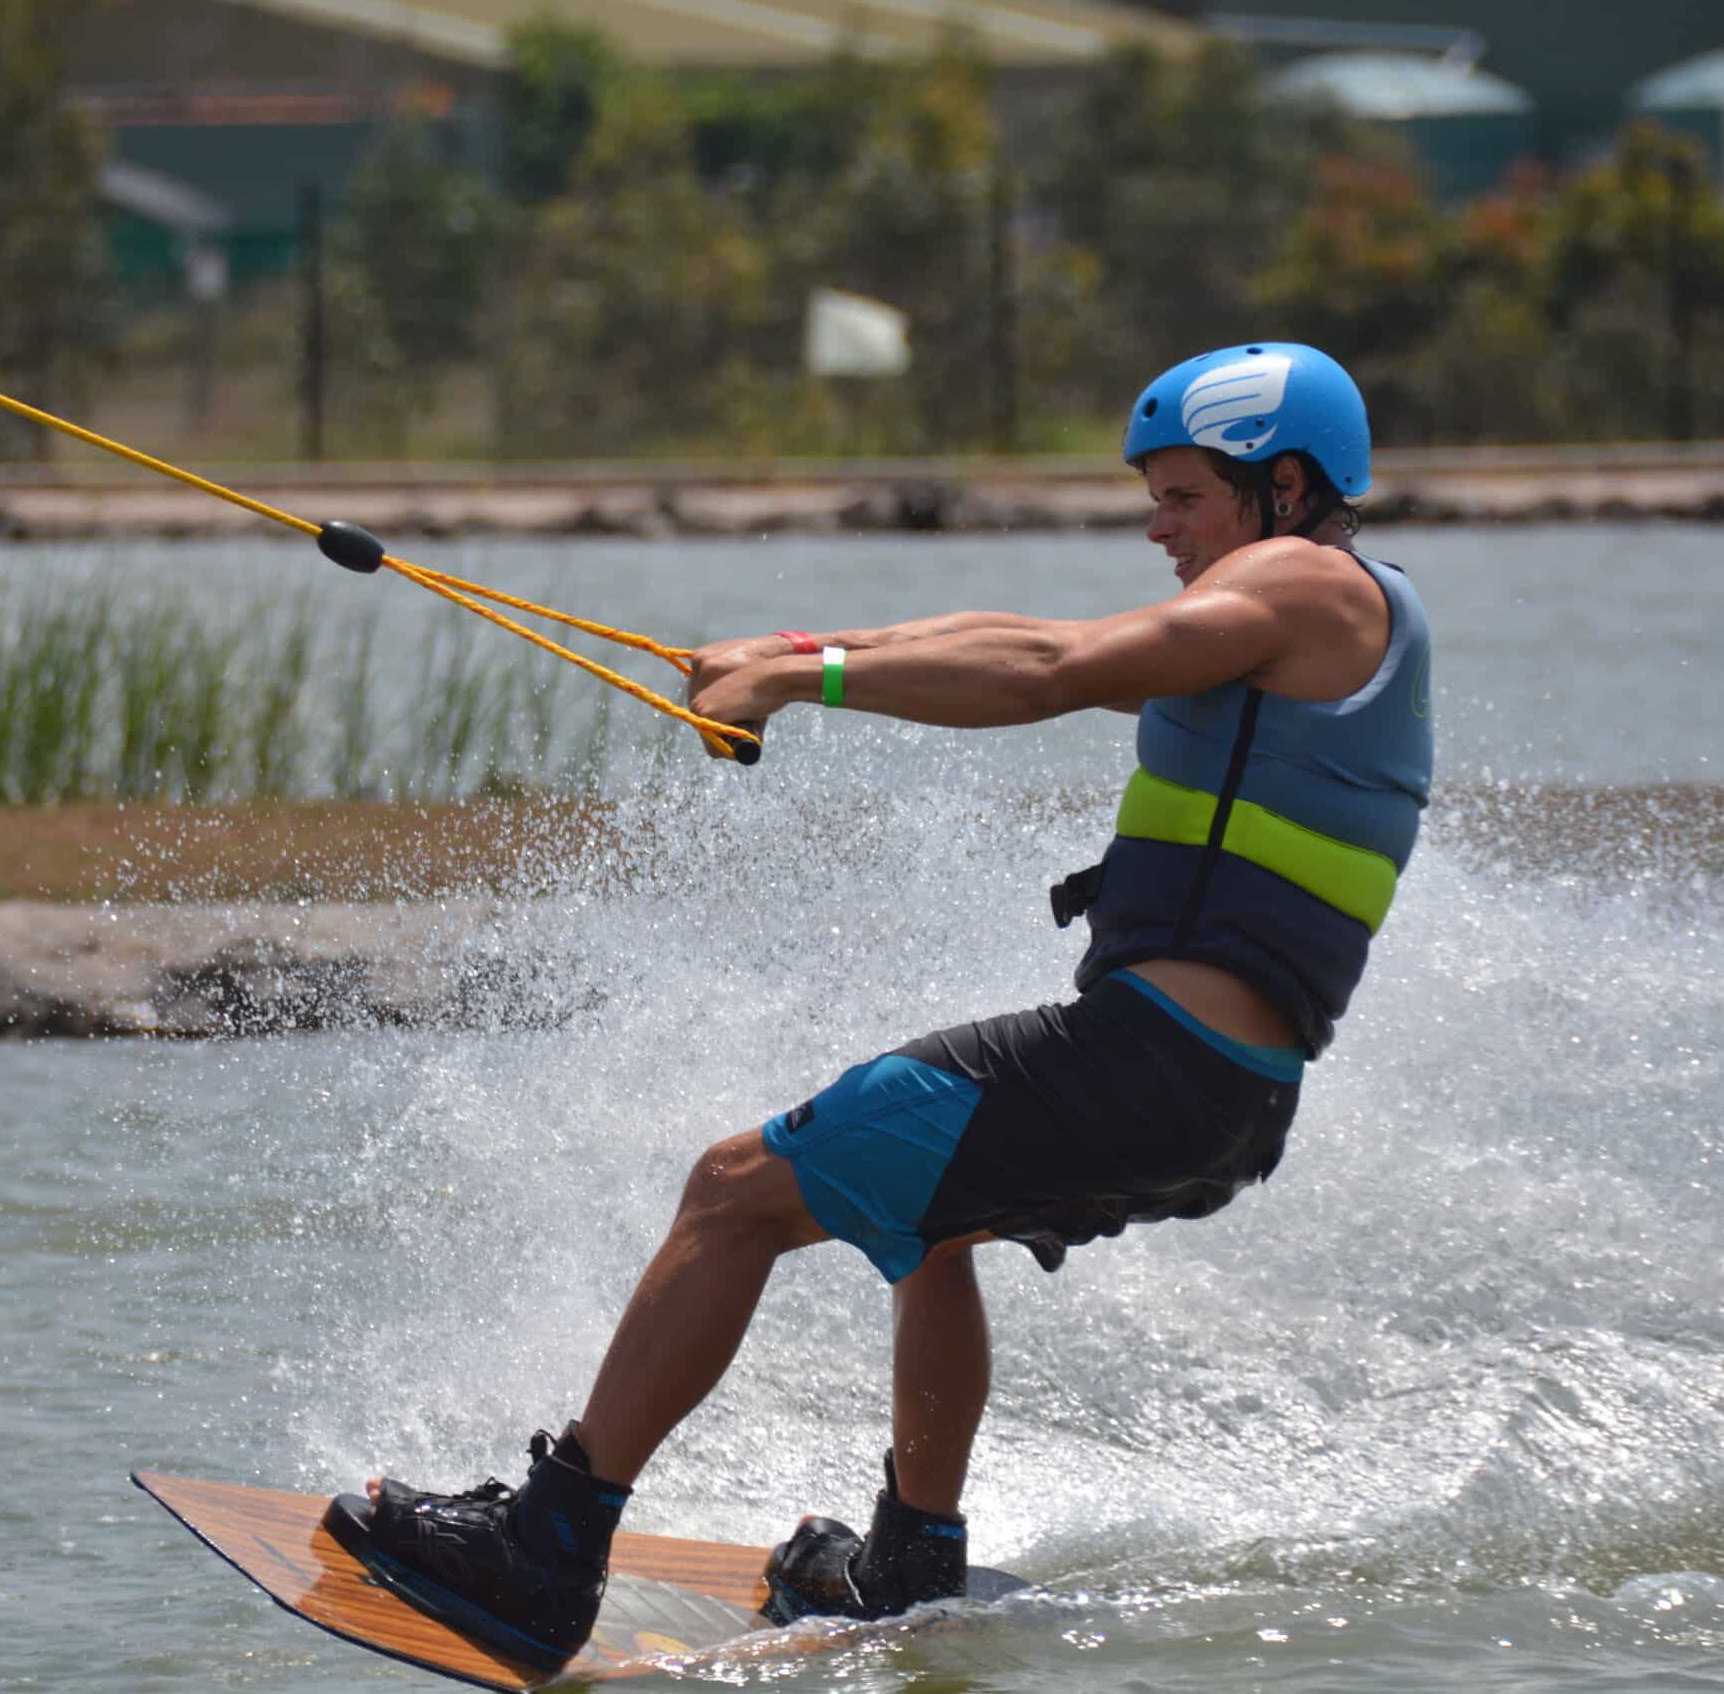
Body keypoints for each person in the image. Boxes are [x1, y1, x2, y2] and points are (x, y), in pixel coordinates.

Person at [326, 342, 1435, 1666]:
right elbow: (1017, 633)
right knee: (934, 1228)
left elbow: (1050, 671)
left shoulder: (1307, 586)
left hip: (1152, 1065)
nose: (1156, 523)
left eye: (1183, 496)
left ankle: (543, 1550)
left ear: (1285, 485)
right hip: (1226, 1099)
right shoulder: (1315, 598)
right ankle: (908, 1559)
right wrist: (797, 647)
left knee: (734, 1193)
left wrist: (807, 683)